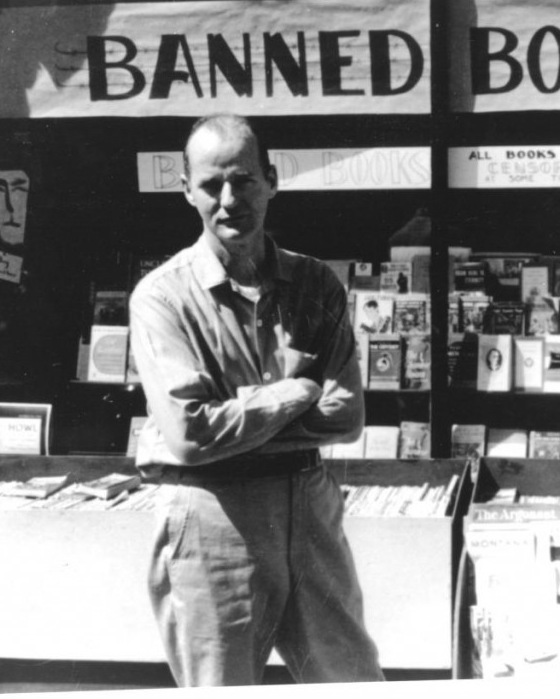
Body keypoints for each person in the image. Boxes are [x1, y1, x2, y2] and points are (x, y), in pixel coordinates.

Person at [129, 114, 383, 687]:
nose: (228, 199)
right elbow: (191, 437)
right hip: (215, 520)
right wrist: (296, 391)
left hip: (310, 507)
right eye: (211, 184)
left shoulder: (317, 284)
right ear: (187, 191)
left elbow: (345, 416)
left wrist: (236, 413)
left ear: (271, 180)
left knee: (353, 680)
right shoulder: (162, 298)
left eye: (243, 180)